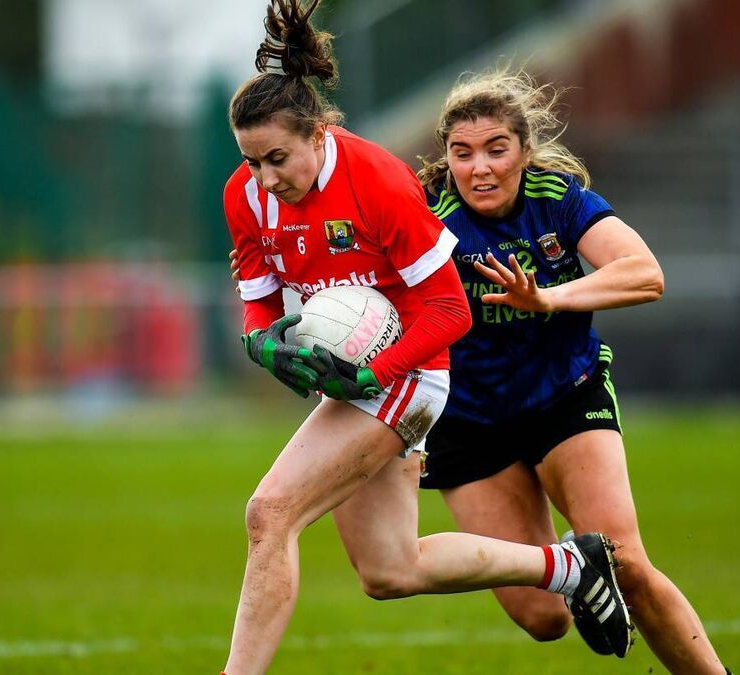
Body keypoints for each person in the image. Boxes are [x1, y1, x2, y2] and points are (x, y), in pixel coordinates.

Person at [220, 3, 629, 673]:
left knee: (270, 513)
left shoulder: (379, 181)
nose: (265, 177)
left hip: (410, 371)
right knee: (389, 569)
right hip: (353, 379)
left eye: (276, 158)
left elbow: (449, 312)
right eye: (251, 161)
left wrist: (373, 372)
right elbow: (261, 305)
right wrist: (260, 345)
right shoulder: (246, 195)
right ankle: (570, 566)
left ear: (318, 134)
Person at [414, 68, 729, 673]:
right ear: (447, 159)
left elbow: (645, 274)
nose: (480, 168)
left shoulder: (557, 199)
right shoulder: (430, 218)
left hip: (564, 396)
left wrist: (549, 299)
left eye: (496, 149)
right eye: (462, 153)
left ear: (524, 151)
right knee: (544, 619)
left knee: (628, 565)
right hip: (468, 420)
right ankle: (578, 570)